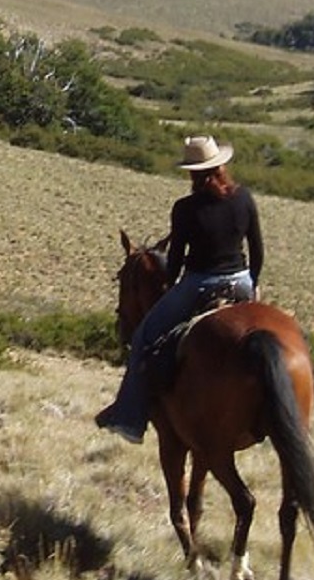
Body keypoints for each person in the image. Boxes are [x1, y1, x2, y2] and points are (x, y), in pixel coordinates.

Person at [95, 135, 263, 444]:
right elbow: (257, 248)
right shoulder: (244, 198)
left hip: (201, 282)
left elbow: (174, 259)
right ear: (220, 165)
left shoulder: (185, 208)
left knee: (145, 335)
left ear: (192, 172)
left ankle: (128, 418)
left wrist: (170, 286)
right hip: (241, 280)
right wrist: (252, 284)